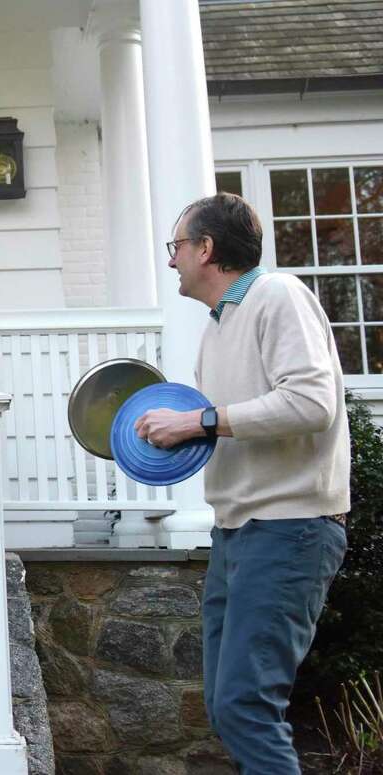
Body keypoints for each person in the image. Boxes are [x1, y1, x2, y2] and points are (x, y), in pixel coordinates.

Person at [134, 193, 348, 774]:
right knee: (227, 707)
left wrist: (199, 420)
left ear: (206, 249)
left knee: (246, 705)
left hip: (290, 526)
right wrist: (164, 439)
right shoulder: (217, 327)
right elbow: (233, 425)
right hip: (237, 532)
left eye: (177, 247)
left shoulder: (277, 295)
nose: (172, 260)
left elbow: (311, 402)